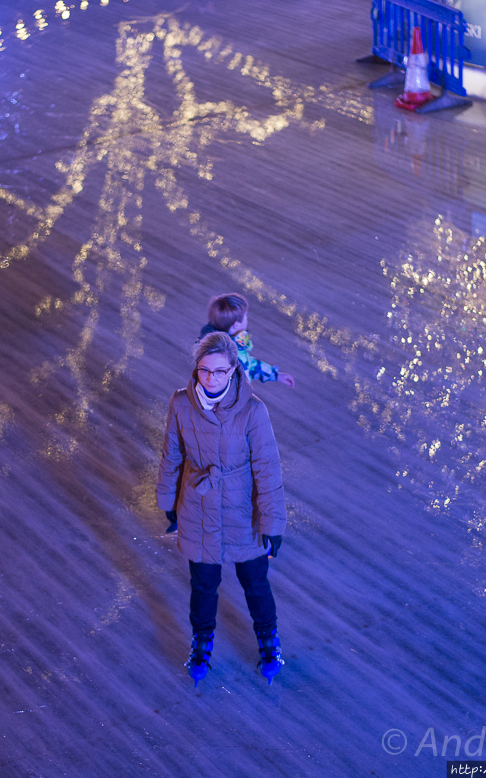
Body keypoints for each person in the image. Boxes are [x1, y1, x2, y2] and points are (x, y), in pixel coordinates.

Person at [156, 331, 286, 686]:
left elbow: (267, 468)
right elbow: (171, 456)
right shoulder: (180, 403)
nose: (211, 379)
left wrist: (272, 522)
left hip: (244, 512)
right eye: (204, 370)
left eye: (220, 372)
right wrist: (168, 501)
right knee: (203, 585)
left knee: (255, 583)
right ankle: (201, 642)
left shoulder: (253, 411)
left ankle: (268, 642)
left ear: (234, 372)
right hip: (199, 509)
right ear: (196, 368)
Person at [200, 292, 295, 387]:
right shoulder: (232, 353)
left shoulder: (228, 344)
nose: (247, 318)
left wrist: (275, 375)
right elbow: (243, 370)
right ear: (236, 325)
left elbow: (248, 364)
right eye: (245, 315)